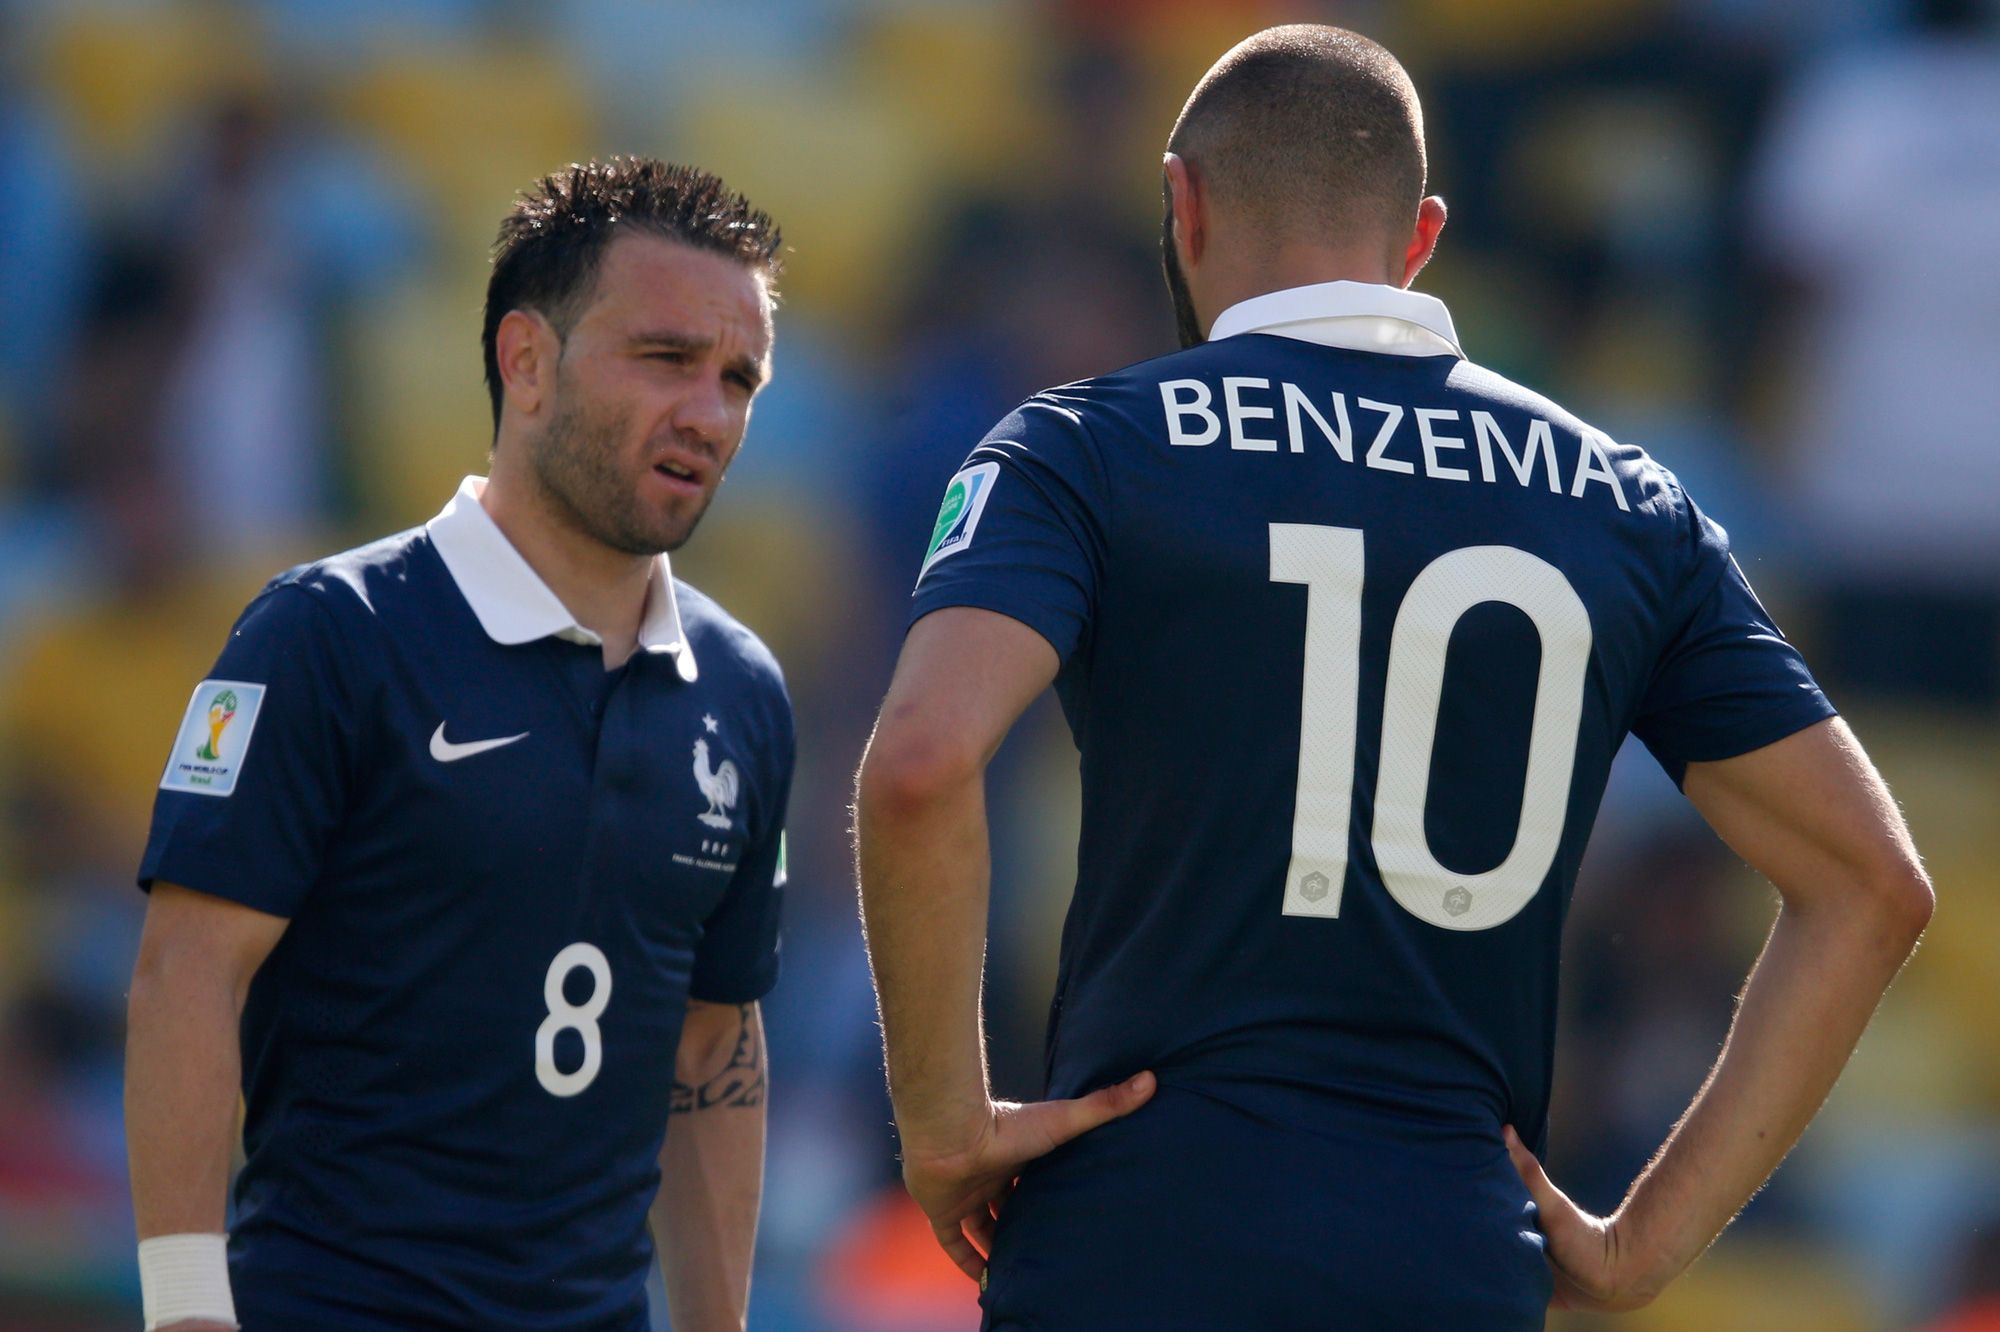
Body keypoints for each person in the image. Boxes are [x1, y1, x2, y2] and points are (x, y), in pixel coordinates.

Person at [854, 25, 1933, 1330]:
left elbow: (918, 765)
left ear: (1182, 207)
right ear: (1420, 240)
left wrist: (942, 1124)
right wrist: (1646, 1241)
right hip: (1448, 1261)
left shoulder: (1089, 447)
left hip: (1136, 1239)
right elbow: (1872, 886)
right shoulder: (1628, 503)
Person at [125, 158, 794, 1332]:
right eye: (666, 359)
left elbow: (712, 1047)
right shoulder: (326, 634)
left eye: (739, 378)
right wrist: (184, 1314)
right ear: (525, 362)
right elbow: (187, 970)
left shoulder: (743, 694)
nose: (710, 412)